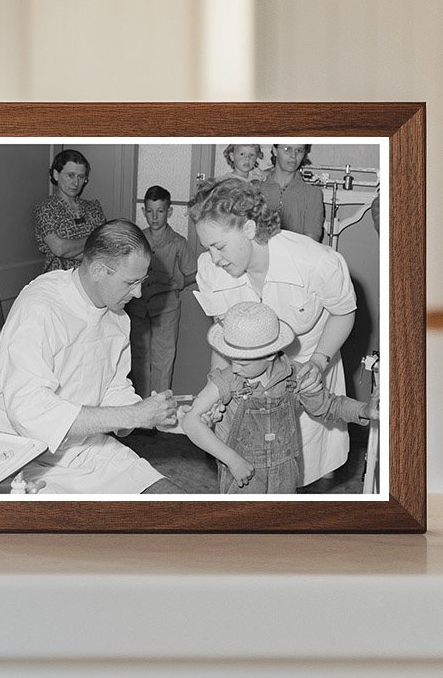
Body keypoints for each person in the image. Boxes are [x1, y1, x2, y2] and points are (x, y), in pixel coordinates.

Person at [0, 220, 183, 494]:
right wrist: (134, 415)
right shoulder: (40, 307)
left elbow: (113, 390)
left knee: (175, 502)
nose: (139, 293)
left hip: (83, 448)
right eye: (131, 282)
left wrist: (165, 417)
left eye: (142, 282)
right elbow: (29, 412)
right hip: (16, 455)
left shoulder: (118, 316)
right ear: (98, 270)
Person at [187, 176, 357, 486]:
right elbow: (225, 339)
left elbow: (344, 313)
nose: (214, 257)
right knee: (250, 467)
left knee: (296, 470)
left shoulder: (317, 262)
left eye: (219, 245)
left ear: (249, 229)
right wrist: (217, 396)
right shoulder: (212, 269)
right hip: (251, 381)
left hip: (307, 371)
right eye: (207, 247)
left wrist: (319, 361)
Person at [182, 302, 376, 493]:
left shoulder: (296, 376)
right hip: (242, 473)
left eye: (243, 363)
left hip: (285, 474)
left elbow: (330, 405)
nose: (234, 368)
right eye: (231, 359)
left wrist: (364, 410)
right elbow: (191, 421)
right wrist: (232, 460)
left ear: (269, 354)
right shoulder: (227, 380)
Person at [127, 186, 197, 397]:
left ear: (170, 211)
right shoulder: (136, 240)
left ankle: (158, 410)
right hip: (138, 307)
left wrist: (176, 282)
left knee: (163, 359)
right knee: (139, 357)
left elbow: (193, 273)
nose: (155, 217)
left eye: (160, 211)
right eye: (150, 211)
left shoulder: (178, 242)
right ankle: (140, 406)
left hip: (166, 310)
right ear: (143, 211)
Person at [33, 149, 106, 273]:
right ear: (56, 175)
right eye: (70, 175)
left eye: (81, 177)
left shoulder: (93, 207)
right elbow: (59, 248)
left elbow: (106, 244)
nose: (76, 182)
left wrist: (71, 250)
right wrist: (94, 239)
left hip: (93, 277)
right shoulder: (46, 209)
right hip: (59, 279)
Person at [258, 143, 325, 242]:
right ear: (275, 150)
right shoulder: (256, 189)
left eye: (299, 150)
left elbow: (311, 243)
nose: (293, 155)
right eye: (287, 149)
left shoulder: (312, 194)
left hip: (296, 255)